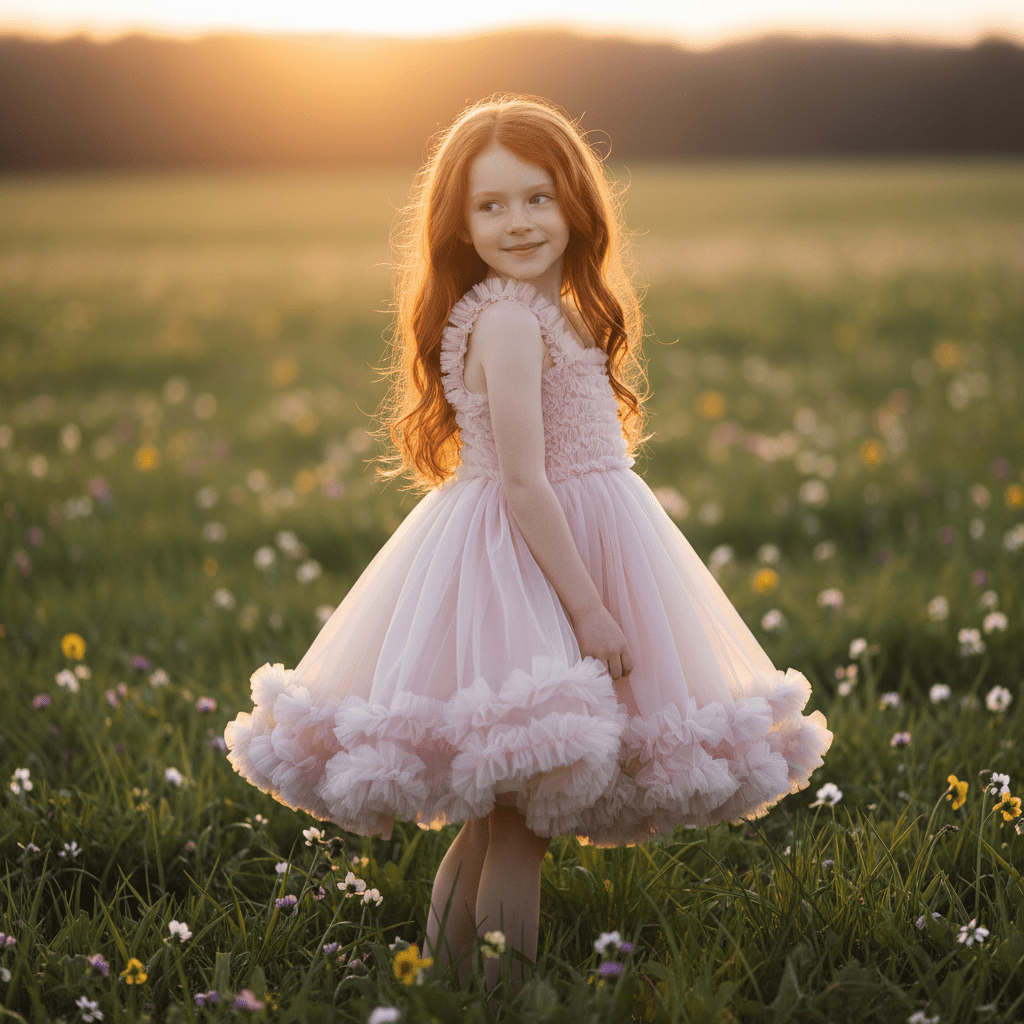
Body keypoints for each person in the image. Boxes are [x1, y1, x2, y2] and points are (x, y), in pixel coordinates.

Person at [224, 94, 832, 990]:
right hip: (522, 567)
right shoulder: (508, 321)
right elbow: (520, 480)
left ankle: (448, 983)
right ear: (460, 225)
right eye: (491, 205)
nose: (518, 222)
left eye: (537, 198)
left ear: (577, 204)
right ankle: (500, 998)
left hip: (562, 545)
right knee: (521, 824)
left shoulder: (561, 313)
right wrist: (587, 605)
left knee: (497, 818)